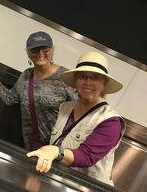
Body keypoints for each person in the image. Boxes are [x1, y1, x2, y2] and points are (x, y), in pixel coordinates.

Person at [26, 51, 124, 186]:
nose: (88, 82)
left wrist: (55, 151)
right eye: (83, 76)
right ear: (76, 80)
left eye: (95, 78)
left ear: (104, 84)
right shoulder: (66, 107)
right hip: (58, 182)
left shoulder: (111, 121)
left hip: (88, 187)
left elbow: (86, 156)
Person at [0, 31, 77, 150]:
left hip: (59, 149)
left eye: (45, 49)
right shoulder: (26, 75)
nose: (40, 53)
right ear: (28, 53)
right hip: (33, 147)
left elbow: (83, 112)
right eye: (35, 49)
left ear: (52, 51)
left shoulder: (67, 78)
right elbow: (11, 99)